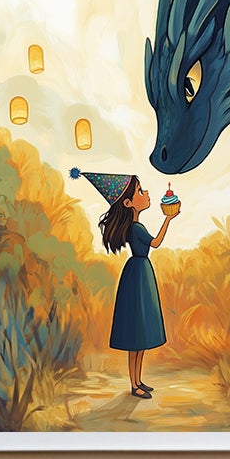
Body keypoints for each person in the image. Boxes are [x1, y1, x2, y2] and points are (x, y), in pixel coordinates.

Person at [71, 167, 179, 398]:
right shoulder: (136, 228)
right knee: (135, 336)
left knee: (139, 337)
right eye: (140, 191)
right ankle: (134, 384)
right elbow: (157, 242)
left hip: (139, 274)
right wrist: (168, 218)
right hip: (138, 276)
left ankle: (138, 380)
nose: (146, 192)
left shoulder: (134, 227)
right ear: (129, 203)